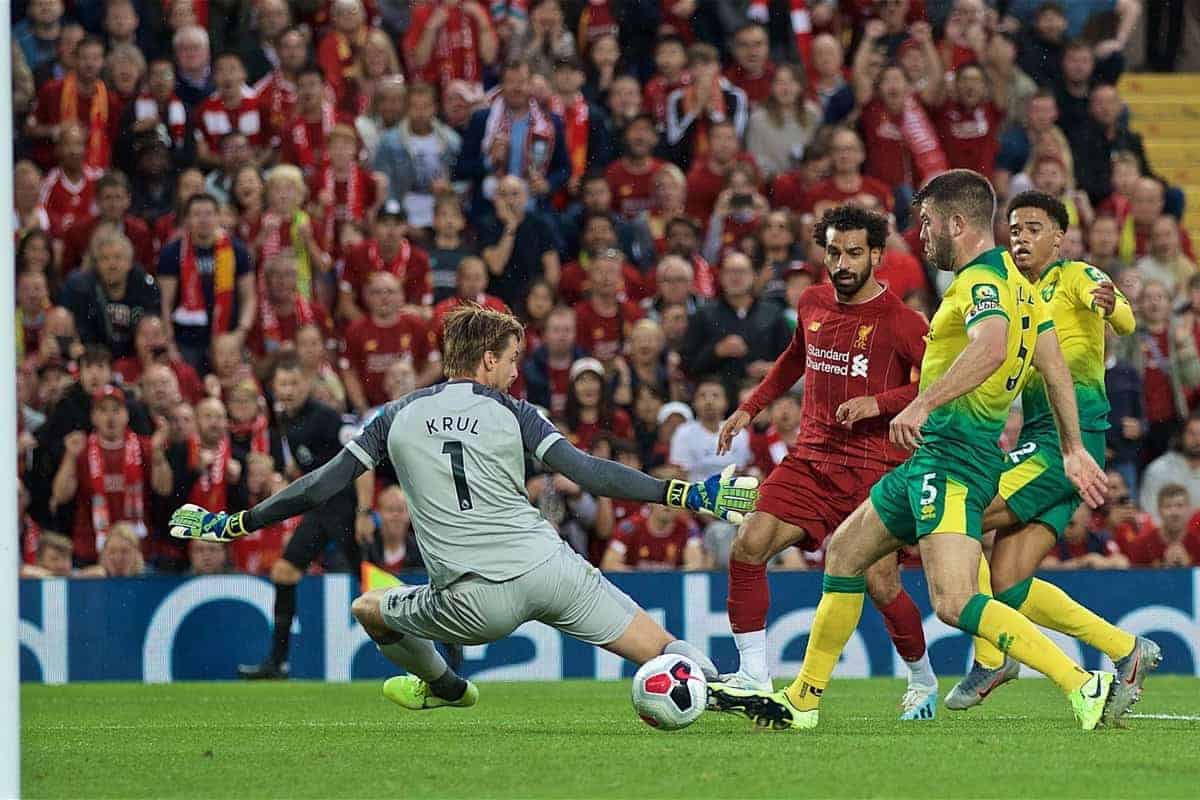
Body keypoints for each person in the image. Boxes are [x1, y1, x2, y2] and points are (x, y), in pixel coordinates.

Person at [169, 305, 759, 709]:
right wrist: (684, 492)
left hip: (472, 604)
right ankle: (736, 695)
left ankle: (445, 687)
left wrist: (236, 522)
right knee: (661, 650)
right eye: (508, 360)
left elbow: (319, 486)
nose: (512, 370)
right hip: (551, 572)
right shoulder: (516, 412)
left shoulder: (396, 416)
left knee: (370, 608)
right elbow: (586, 472)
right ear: (484, 363)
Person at [708, 169, 1113, 732]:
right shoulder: (1022, 284)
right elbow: (1052, 365)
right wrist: (1072, 446)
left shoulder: (979, 284)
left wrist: (922, 404)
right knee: (846, 552)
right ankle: (803, 697)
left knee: (952, 601)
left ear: (955, 222)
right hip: (936, 459)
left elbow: (992, 347)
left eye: (925, 223)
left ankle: (1083, 681)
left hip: (953, 458)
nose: (919, 236)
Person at [713, 205, 937, 717]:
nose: (842, 263)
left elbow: (935, 384)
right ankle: (753, 673)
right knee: (749, 544)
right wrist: (750, 407)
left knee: (881, 584)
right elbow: (795, 356)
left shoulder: (904, 322)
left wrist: (877, 404)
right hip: (811, 458)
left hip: (873, 470)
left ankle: (922, 678)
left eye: (854, 253)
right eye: (834, 251)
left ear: (877, 256)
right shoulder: (812, 302)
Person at [944, 191, 1155, 719]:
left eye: (1034, 228)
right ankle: (1127, 650)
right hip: (1039, 437)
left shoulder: (1076, 277)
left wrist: (1114, 305)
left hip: (1070, 440)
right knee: (1009, 581)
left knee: (959, 516)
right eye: (1014, 229)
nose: (1021, 238)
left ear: (1058, 237)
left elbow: (1123, 318)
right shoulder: (1011, 291)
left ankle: (991, 658)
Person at [232, 354, 362, 679]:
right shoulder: (286, 419)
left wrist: (365, 511)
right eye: (282, 385)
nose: (287, 390)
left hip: (346, 508)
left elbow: (363, 459)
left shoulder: (326, 417)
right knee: (284, 572)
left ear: (307, 384)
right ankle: (277, 662)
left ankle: (445, 641)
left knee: (374, 580)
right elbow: (308, 465)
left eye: (293, 383)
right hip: (322, 510)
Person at [157, 193, 256, 373]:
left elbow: (248, 297)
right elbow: (165, 303)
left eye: (209, 214)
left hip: (227, 337)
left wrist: (240, 334)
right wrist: (170, 344)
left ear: (218, 217)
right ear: (186, 219)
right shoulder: (172, 252)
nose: (203, 219)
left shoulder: (237, 250)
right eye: (197, 214)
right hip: (186, 341)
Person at [61, 229, 161, 361]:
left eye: (118, 257)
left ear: (130, 262)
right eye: (105, 259)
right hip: (94, 361)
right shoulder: (82, 289)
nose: (112, 264)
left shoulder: (145, 287)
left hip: (136, 360)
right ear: (97, 265)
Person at [1139, 414, 1200, 525]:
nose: (1197, 440)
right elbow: (1149, 513)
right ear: (1181, 436)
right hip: (1165, 537)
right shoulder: (1159, 469)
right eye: (1192, 434)